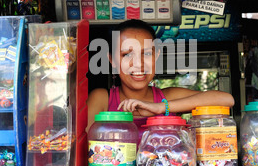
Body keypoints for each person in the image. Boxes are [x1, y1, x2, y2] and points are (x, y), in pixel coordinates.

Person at [87, 19, 235, 137]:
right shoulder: (102, 99)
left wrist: (159, 108)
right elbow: (85, 148)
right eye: (127, 54)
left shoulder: (167, 97)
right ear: (112, 59)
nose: (138, 64)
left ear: (156, 56)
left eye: (146, 53)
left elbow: (227, 100)